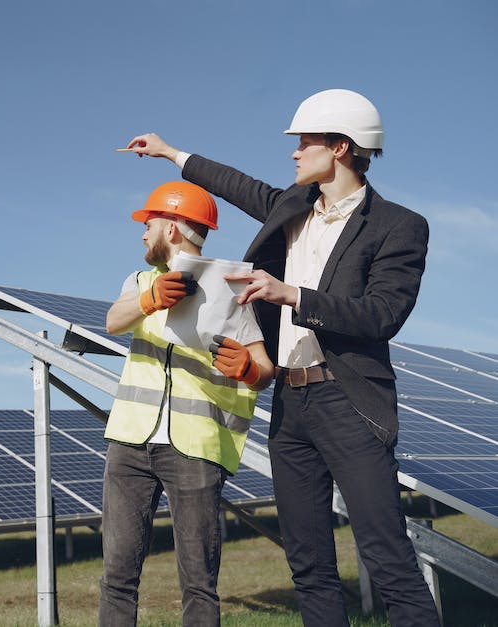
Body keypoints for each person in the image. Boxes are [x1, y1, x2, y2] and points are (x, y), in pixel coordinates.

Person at [123, 89, 440, 626]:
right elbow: (235, 183)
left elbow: (382, 314)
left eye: (305, 142)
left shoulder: (399, 226)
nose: (294, 153)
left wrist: (291, 294)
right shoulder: (291, 207)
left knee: (389, 560)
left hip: (350, 403)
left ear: (341, 146)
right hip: (291, 409)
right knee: (309, 565)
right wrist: (170, 152)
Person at [99, 180, 274, 626]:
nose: (142, 233)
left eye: (149, 223)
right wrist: (149, 300)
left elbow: (263, 366)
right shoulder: (138, 281)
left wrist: (249, 370)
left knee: (198, 581)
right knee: (117, 574)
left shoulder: (231, 290)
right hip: (130, 445)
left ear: (173, 229)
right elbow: (113, 321)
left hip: (196, 449)